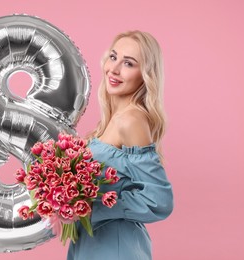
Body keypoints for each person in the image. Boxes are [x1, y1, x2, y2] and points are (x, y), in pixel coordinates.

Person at [67, 31, 174, 260]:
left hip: (115, 249)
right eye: (113, 57)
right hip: (91, 245)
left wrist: (94, 208)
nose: (114, 69)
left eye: (128, 63)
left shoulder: (131, 120)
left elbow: (159, 200)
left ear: (145, 75)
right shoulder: (112, 121)